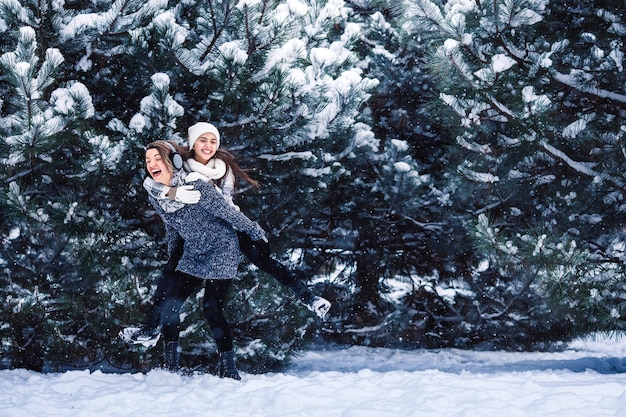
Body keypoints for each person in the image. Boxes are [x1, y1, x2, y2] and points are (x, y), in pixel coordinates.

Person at [120, 123, 331, 347]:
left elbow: (225, 206)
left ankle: (309, 297)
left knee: (263, 260)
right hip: (191, 230)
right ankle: (152, 329)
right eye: (202, 140)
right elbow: (153, 183)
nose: (208, 146)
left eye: (213, 141)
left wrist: (250, 229)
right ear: (192, 143)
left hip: (226, 224)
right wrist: (172, 191)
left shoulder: (222, 169)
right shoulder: (181, 168)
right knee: (168, 277)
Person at [141, 140, 268, 378]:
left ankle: (229, 369)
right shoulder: (157, 196)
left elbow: (227, 212)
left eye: (157, 159)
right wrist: (173, 256)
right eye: (148, 160)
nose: (152, 165)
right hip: (194, 252)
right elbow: (172, 226)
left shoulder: (197, 187)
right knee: (171, 306)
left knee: (211, 308)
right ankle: (171, 370)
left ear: (173, 161)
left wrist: (255, 232)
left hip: (222, 248)